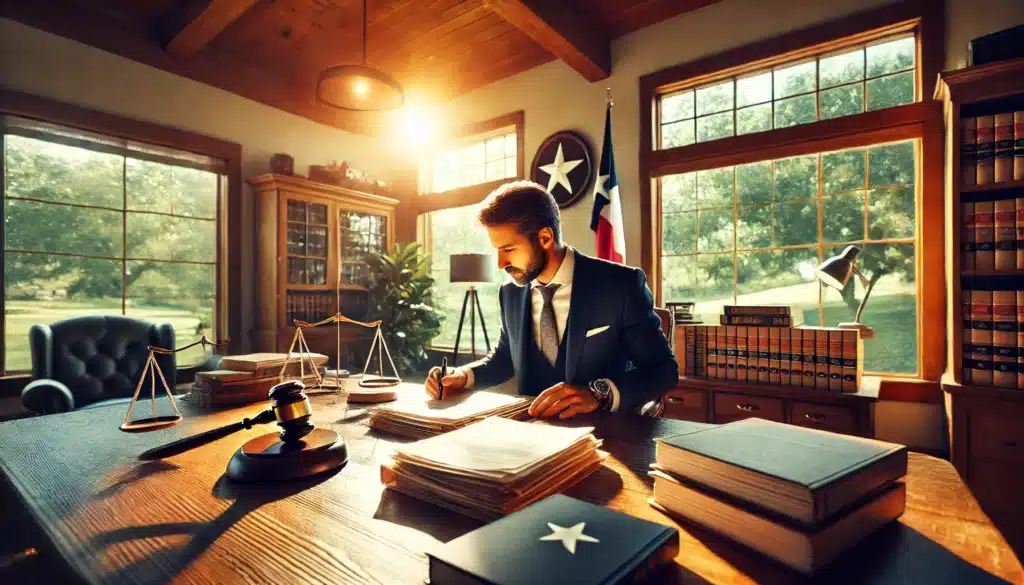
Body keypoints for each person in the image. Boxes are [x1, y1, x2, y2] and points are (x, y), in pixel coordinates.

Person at [425, 180, 678, 419]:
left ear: (545, 238)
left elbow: (663, 370)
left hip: (603, 437)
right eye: (497, 250)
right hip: (531, 437)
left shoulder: (620, 285)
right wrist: (463, 375)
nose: (501, 263)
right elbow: (505, 358)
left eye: (509, 249)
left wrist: (598, 394)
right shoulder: (510, 293)